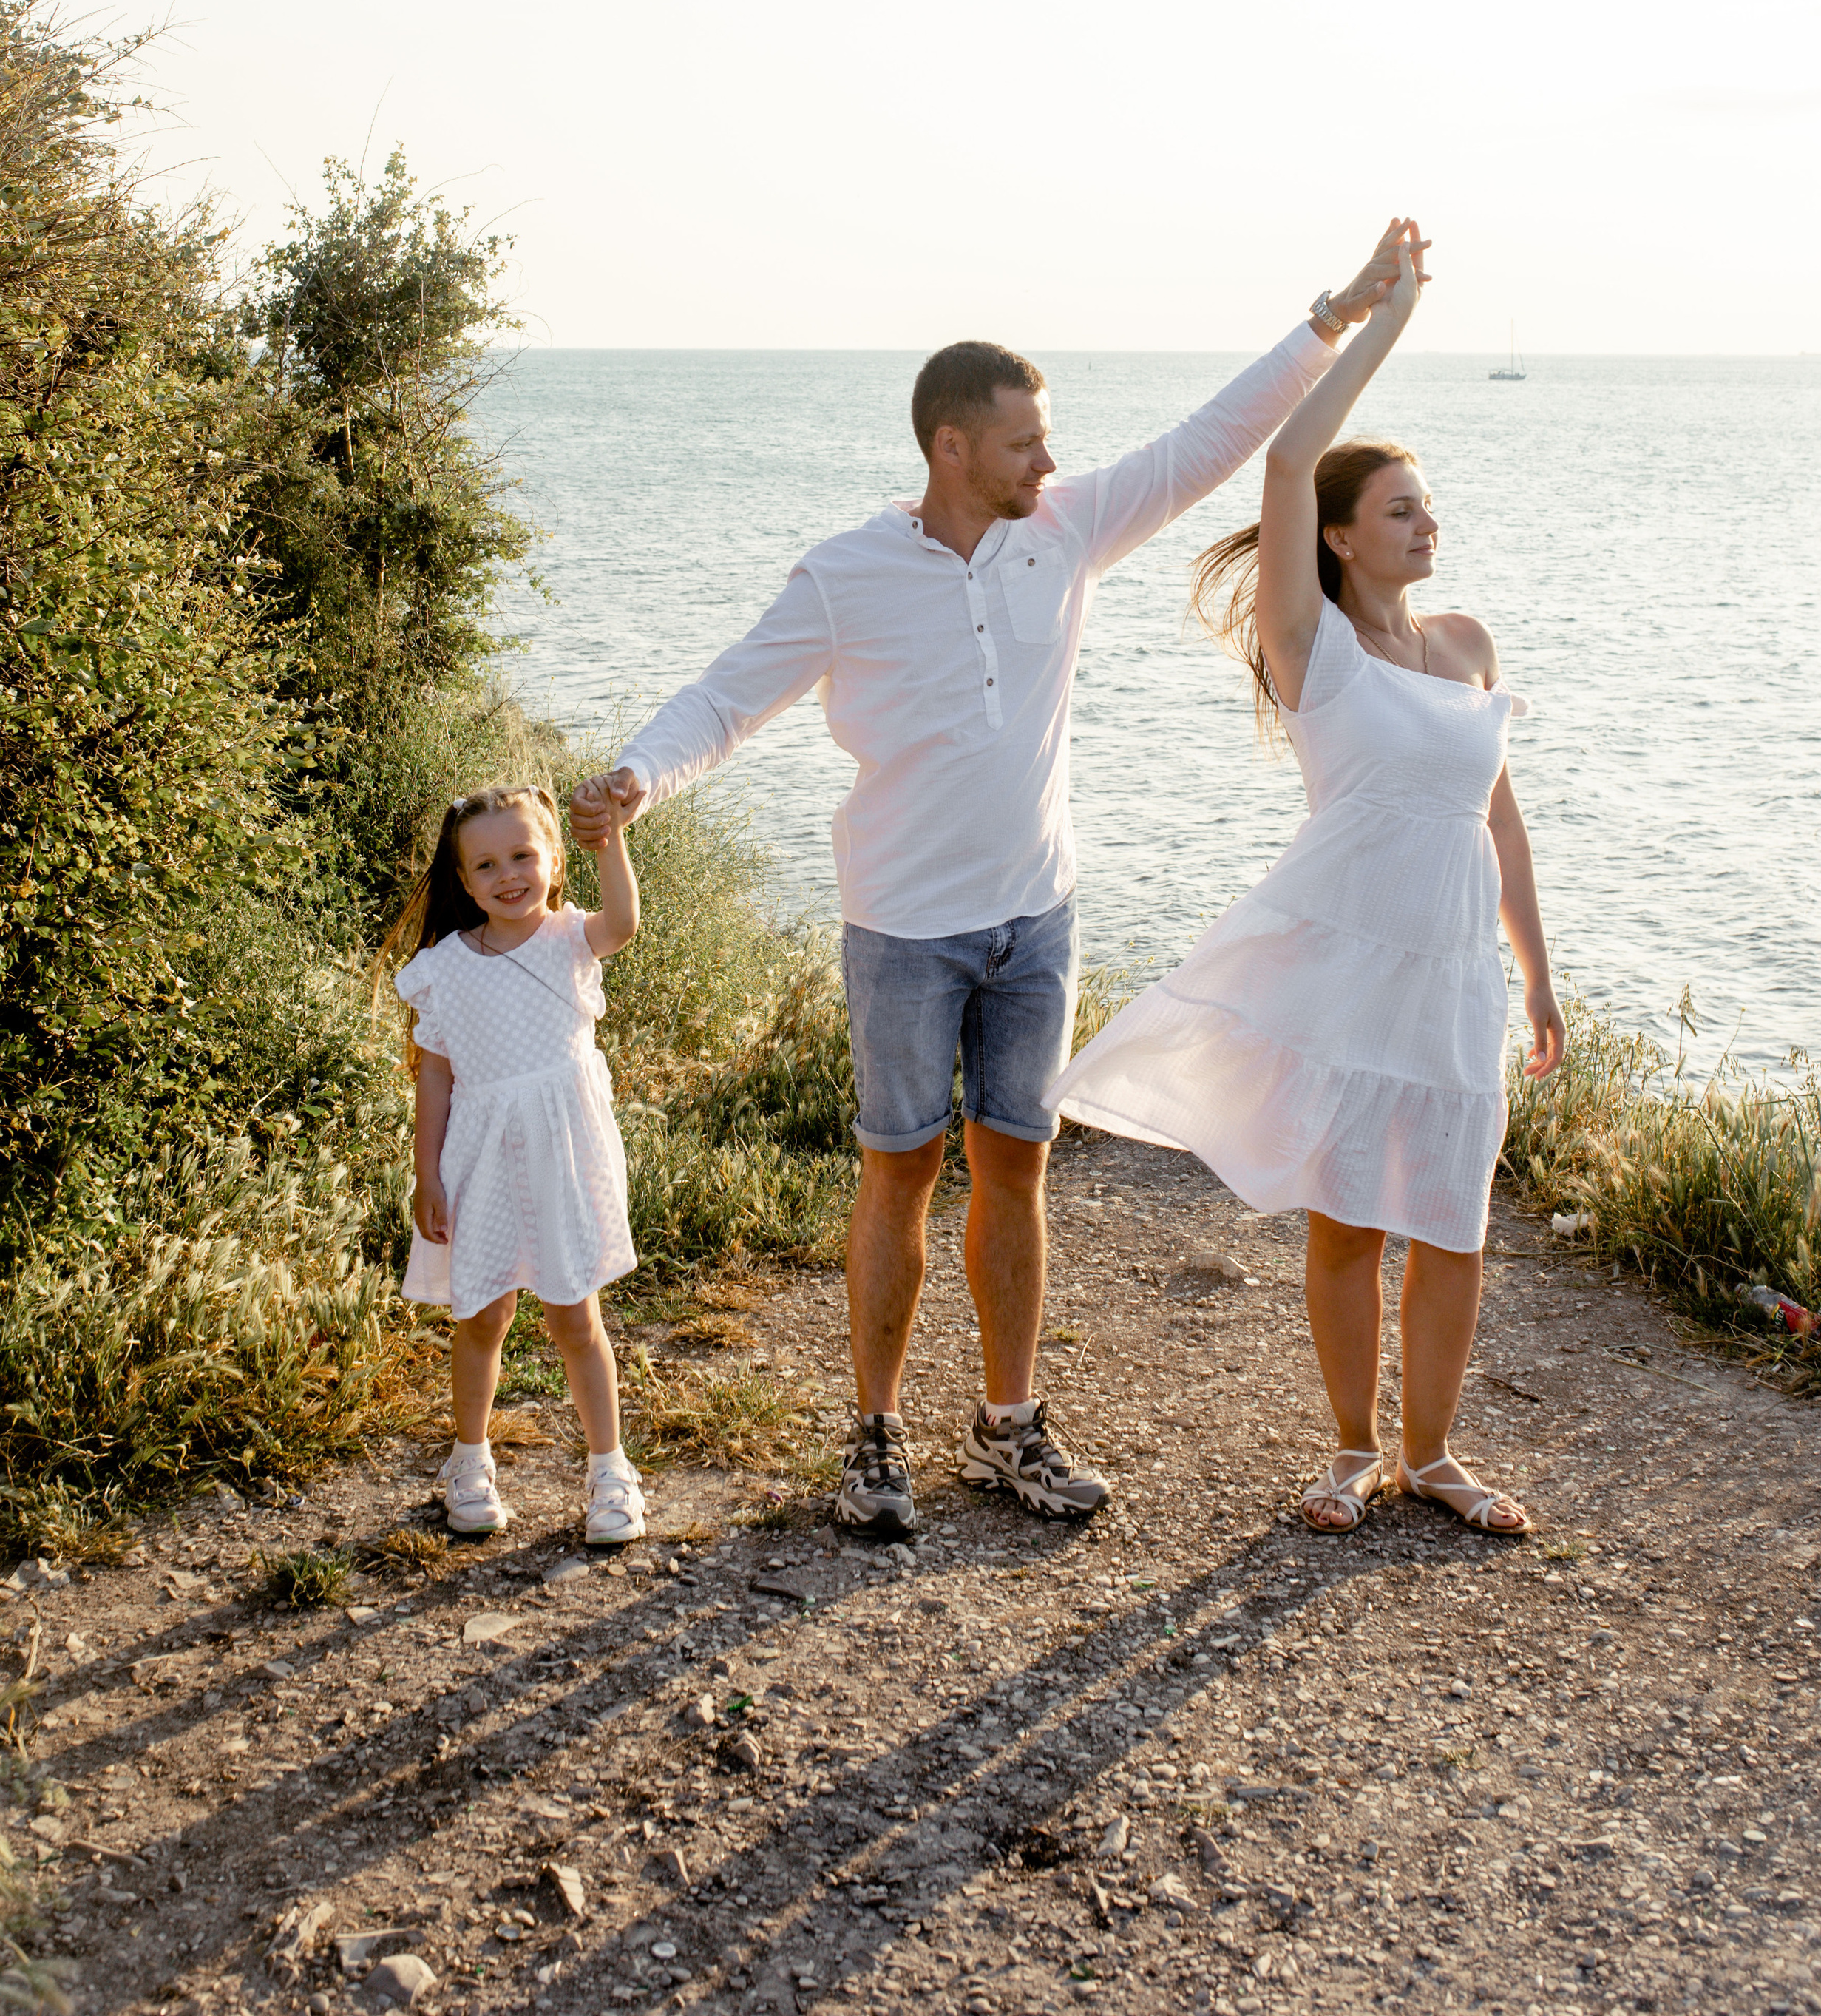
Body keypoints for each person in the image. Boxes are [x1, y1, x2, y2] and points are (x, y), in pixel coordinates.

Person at [569, 223, 1417, 1539]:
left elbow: (1210, 441)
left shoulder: (1065, 531)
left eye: (1050, 439)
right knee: (899, 1175)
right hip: (903, 931)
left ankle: (1011, 1426)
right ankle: (873, 1438)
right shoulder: (847, 573)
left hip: (1037, 920)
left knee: (1016, 1168)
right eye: (1025, 441)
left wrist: (1330, 316)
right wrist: (639, 775)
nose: (1050, 460)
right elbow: (729, 697)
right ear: (950, 446)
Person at [1044, 226, 1563, 1537]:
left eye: (1427, 503)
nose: (1425, 520)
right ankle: (1349, 1449)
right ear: (1336, 538)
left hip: (1456, 977)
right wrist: (1383, 323)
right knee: (1349, 1224)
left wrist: (1541, 977)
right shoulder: (1312, 650)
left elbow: (1499, 822)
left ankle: (1432, 1458)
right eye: (1399, 506)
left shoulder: (1465, 644)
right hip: (1345, 968)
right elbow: (1283, 455)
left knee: (1452, 1223)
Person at [385, 780, 650, 1544]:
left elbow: (624, 923)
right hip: (481, 1158)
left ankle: (609, 1471)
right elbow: (433, 1077)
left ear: (553, 859)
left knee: (576, 1318)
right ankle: (469, 1462)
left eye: (523, 856)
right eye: (487, 865)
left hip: (563, 1155)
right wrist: (425, 1174)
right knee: (483, 1316)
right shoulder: (446, 967)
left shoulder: (571, 937)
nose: (509, 876)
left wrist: (615, 844)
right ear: (463, 882)